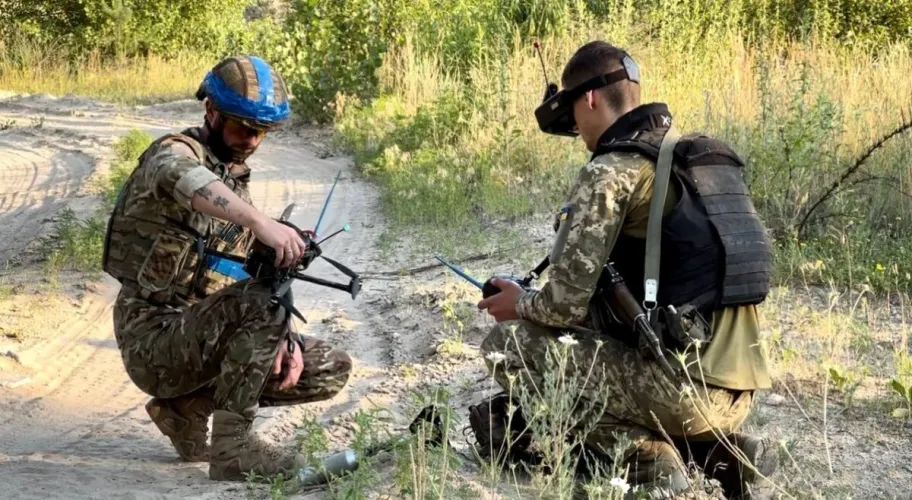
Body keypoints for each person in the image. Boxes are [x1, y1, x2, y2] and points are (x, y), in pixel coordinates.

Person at [475, 41, 779, 499]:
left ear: (589, 99)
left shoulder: (613, 169)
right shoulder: (697, 160)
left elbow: (561, 305)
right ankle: (721, 452)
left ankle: (647, 461)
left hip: (681, 389)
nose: (575, 128)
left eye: (572, 112)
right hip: (741, 391)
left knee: (506, 344)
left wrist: (520, 303)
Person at [102, 55, 352, 481]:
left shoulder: (234, 180)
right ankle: (233, 450)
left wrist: (283, 334)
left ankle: (186, 410)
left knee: (326, 366)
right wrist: (259, 222)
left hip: (199, 332)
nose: (252, 140)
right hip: (152, 335)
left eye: (262, 131)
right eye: (242, 127)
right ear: (211, 112)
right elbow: (189, 181)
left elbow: (249, 280)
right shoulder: (173, 153)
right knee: (260, 305)